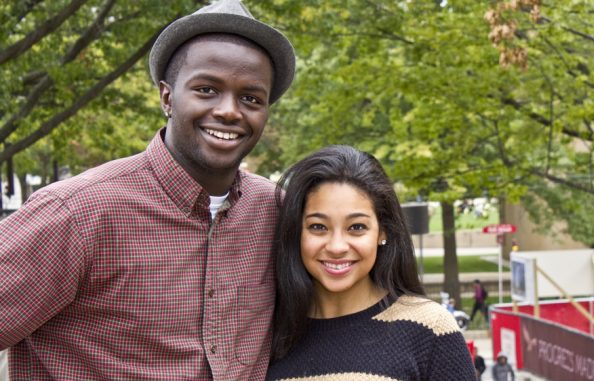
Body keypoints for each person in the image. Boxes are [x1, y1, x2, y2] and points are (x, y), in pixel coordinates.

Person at [0, 0, 295, 379]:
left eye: (251, 98)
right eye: (207, 89)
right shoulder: (76, 213)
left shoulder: (278, 212)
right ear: (167, 97)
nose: (230, 111)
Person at [266, 145, 476, 380]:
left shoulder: (429, 328)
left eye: (356, 227)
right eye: (318, 227)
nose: (337, 247)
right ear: (297, 232)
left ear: (382, 231)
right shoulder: (267, 332)